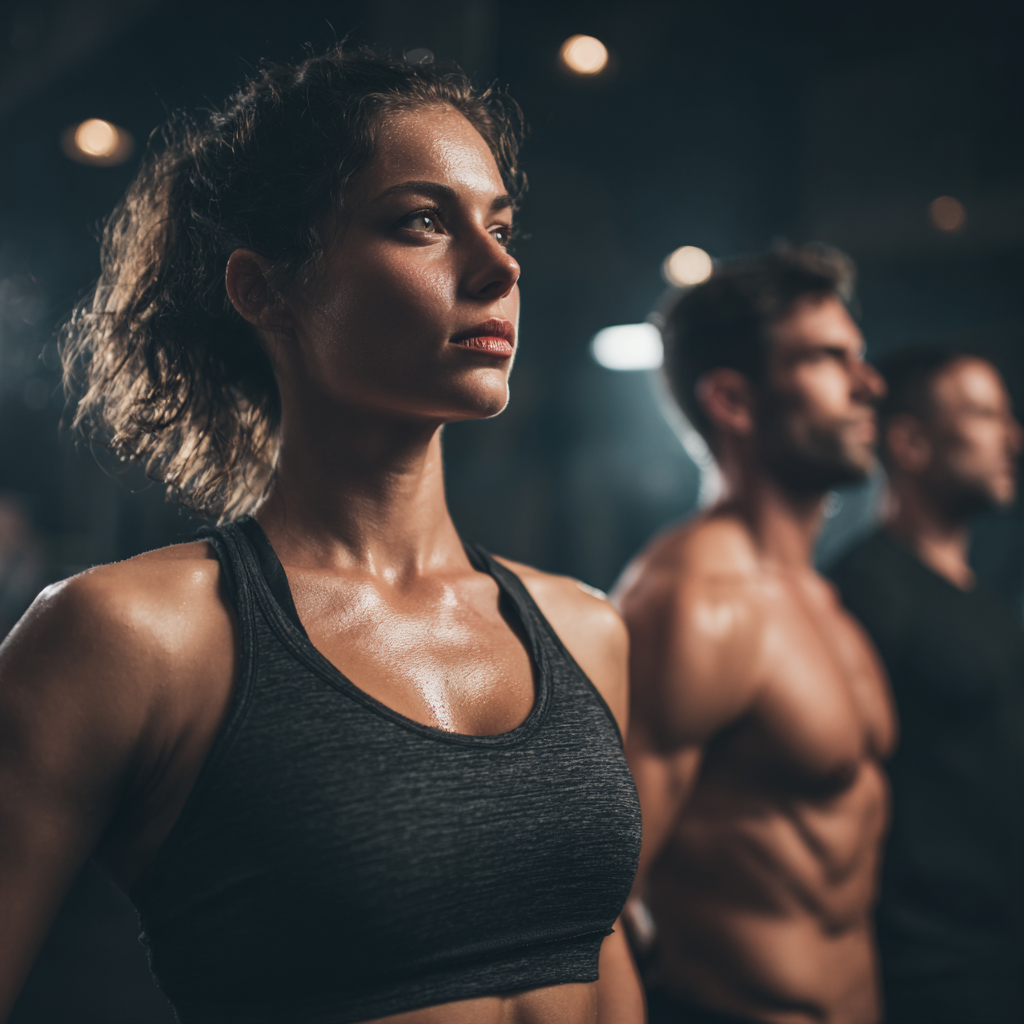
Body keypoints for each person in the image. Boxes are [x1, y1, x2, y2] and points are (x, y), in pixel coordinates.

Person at [0, 47, 644, 1024]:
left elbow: (602, 969)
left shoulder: (586, 629)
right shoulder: (135, 638)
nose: (501, 265)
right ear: (265, 290)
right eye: (421, 222)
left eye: (502, 225)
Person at [614, 246, 897, 1024]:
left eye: (860, 357)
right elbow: (594, 902)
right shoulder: (696, 604)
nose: (869, 384)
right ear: (733, 402)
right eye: (828, 358)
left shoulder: (815, 596)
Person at [829, 347, 1024, 1024]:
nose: (1012, 436)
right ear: (909, 441)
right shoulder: (867, 591)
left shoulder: (982, 598)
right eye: (982, 414)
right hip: (929, 973)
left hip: (1002, 956)